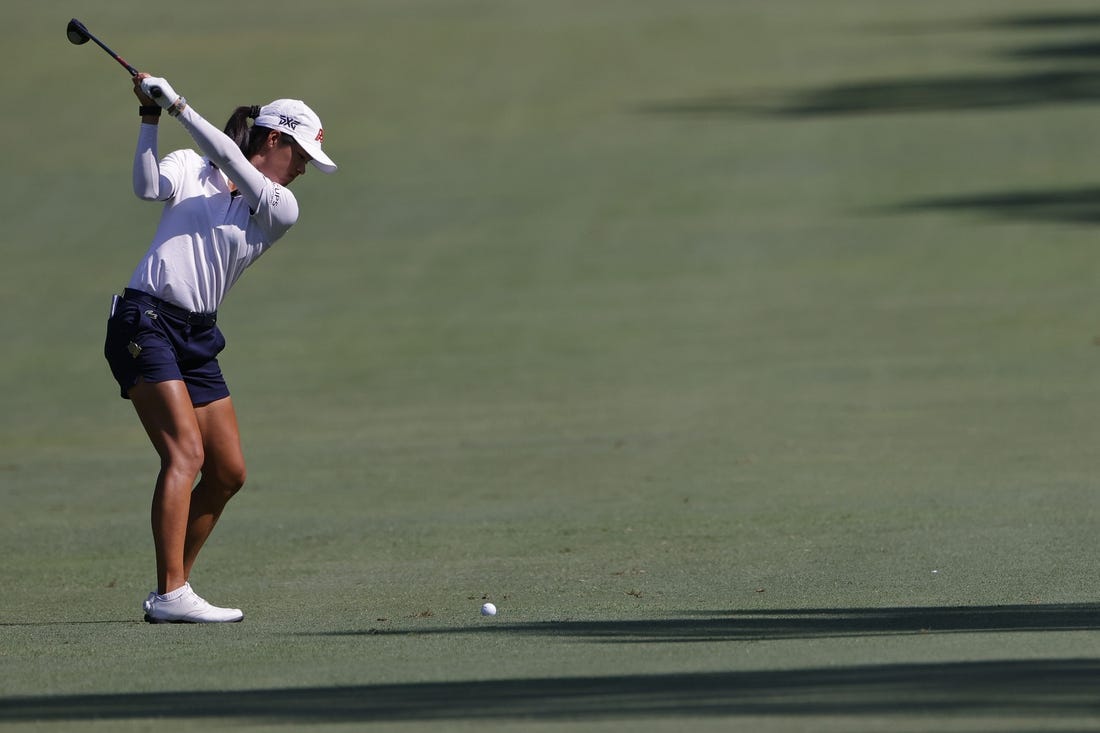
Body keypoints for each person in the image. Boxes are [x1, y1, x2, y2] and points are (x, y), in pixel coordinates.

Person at [103, 72, 336, 623]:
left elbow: (231, 158)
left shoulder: (280, 206)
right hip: (145, 319)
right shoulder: (191, 167)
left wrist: (179, 103)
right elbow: (146, 187)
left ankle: (172, 586)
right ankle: (170, 594)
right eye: (300, 153)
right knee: (186, 453)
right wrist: (150, 118)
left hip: (198, 335)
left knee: (228, 472)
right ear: (273, 140)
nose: (304, 168)